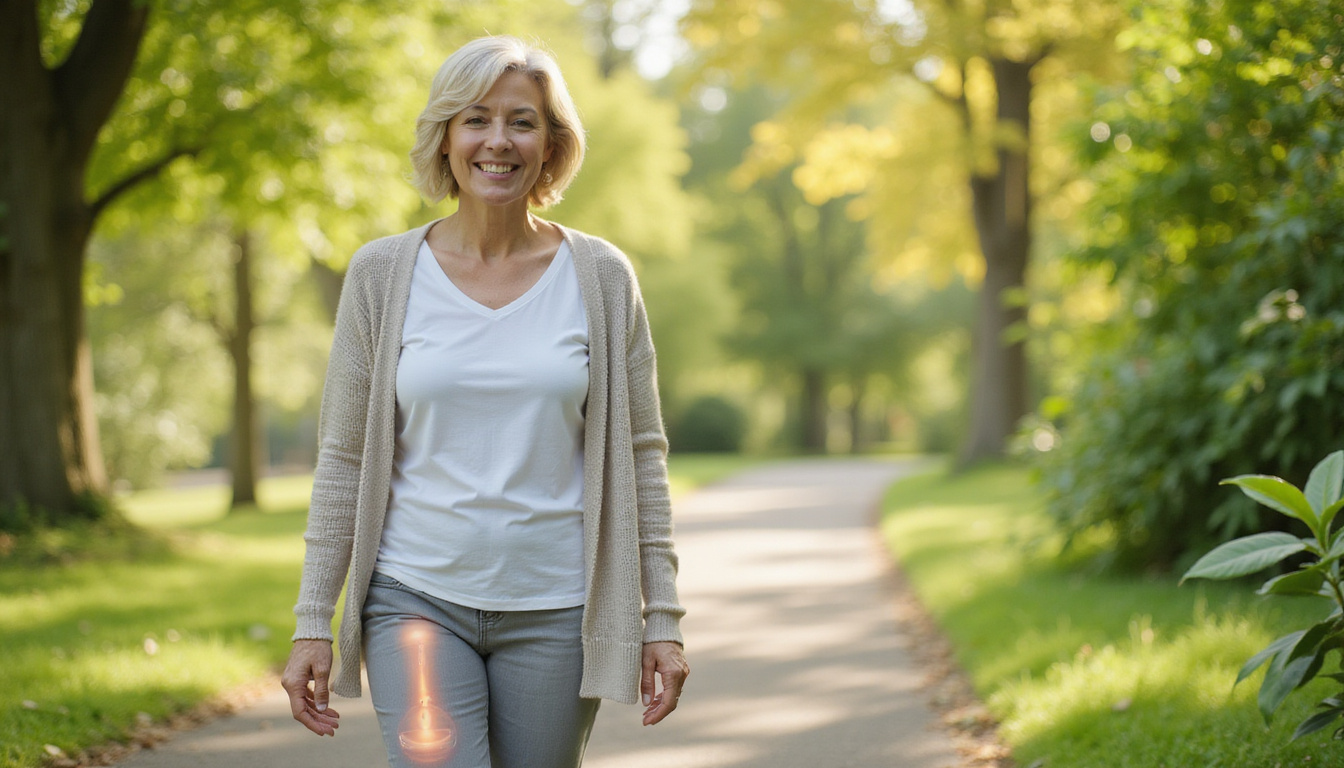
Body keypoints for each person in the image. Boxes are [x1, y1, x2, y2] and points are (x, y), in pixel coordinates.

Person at [280, 35, 688, 768]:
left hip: (559, 607)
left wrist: (664, 619)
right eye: (475, 118)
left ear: (551, 145)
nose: (497, 141)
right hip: (414, 598)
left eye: (522, 121)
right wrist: (313, 619)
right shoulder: (381, 275)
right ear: (445, 137)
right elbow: (342, 458)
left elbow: (641, 457)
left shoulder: (599, 276)